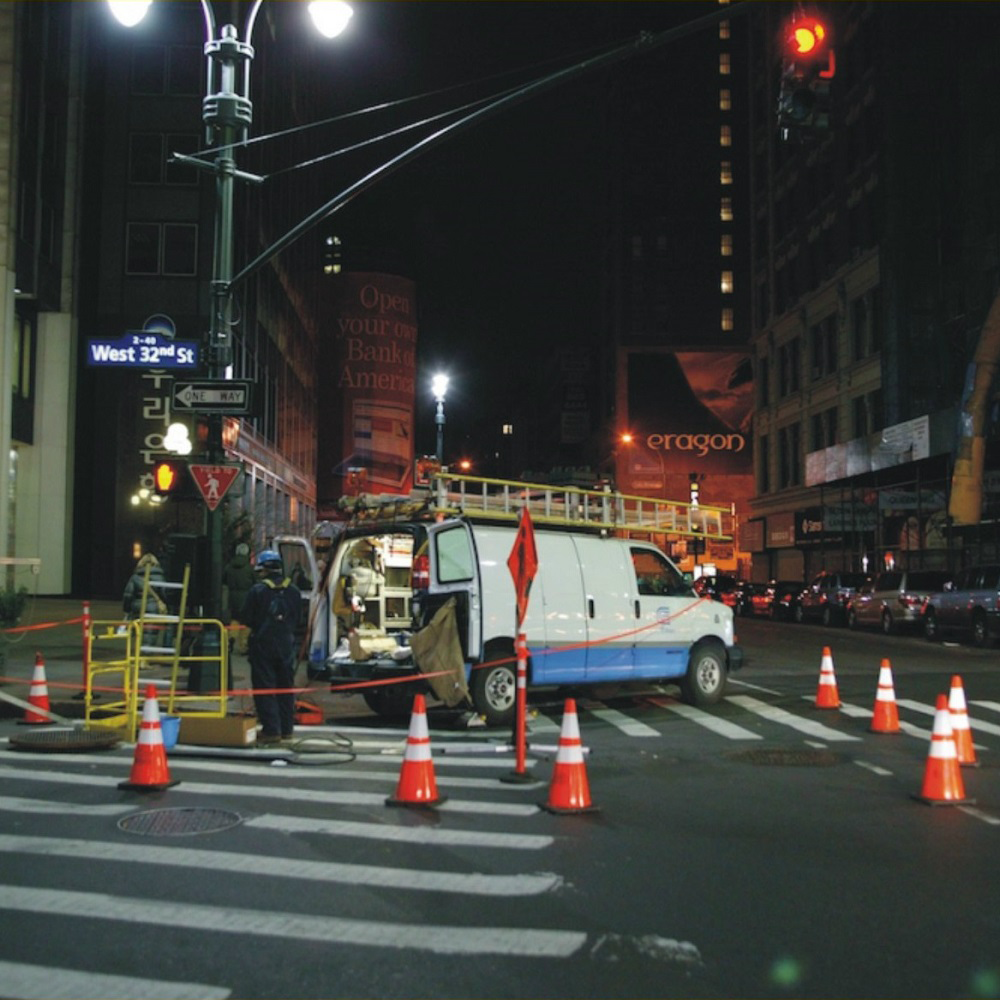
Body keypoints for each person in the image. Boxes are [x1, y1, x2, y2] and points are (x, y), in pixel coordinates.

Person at [240, 549, 301, 745]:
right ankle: (287, 729)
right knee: (286, 687)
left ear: (264, 569)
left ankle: (271, 730)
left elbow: (247, 617)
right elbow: (298, 619)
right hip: (286, 645)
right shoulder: (294, 591)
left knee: (265, 688)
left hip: (263, 645)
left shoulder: (257, 591)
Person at [122, 553, 169, 647]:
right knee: (150, 633)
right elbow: (165, 594)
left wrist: (127, 610)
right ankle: (145, 656)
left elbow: (128, 595)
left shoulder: (135, 577)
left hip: (137, 608)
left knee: (139, 632)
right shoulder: (160, 577)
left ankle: (137, 656)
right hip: (153, 608)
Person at [224, 542, 255, 653]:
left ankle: (231, 637)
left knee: (235, 619)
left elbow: (224, 580)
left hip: (232, 598)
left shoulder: (229, 567)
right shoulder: (249, 568)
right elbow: (256, 582)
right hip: (246, 597)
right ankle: (243, 645)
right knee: (246, 622)